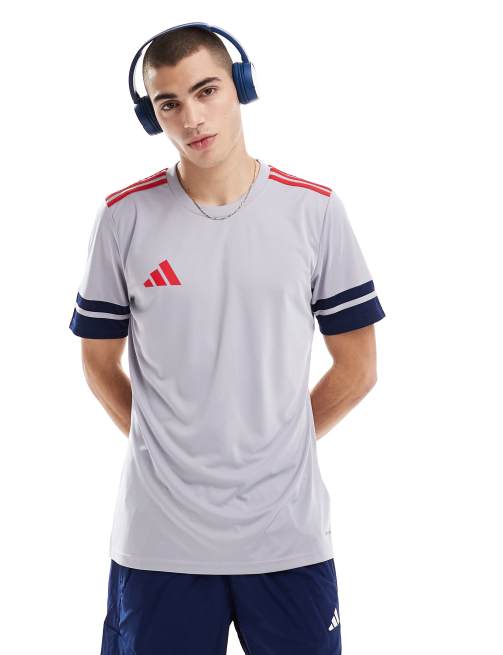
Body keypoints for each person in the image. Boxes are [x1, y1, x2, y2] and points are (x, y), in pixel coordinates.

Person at [69, 23, 385, 655]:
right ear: (151, 115)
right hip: (159, 542)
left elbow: (358, 367)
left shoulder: (315, 211)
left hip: (287, 537)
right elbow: (98, 361)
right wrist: (168, 447)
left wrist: (275, 444)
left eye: (206, 90)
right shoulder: (123, 217)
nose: (191, 117)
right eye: (169, 103)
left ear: (239, 86)